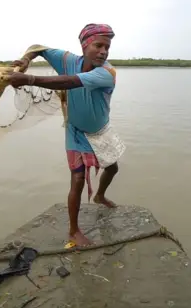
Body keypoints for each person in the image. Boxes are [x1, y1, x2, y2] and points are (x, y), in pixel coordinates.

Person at [7, 23, 121, 247]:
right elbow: (38, 47)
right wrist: (26, 59)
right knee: (77, 179)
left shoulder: (107, 73)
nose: (103, 51)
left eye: (107, 47)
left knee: (113, 167)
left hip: (100, 130)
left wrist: (29, 79)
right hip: (75, 130)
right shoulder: (68, 60)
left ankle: (99, 195)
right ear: (84, 45)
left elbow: (71, 82)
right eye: (98, 45)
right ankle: (73, 231)